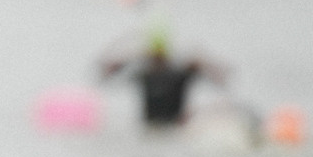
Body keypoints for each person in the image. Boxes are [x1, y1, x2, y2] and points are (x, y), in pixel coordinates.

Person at [98, 30, 229, 127]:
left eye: (160, 55)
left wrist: (202, 63)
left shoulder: (180, 73)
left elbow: (222, 80)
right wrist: (125, 60)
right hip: (149, 130)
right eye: (153, 55)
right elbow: (104, 76)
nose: (157, 60)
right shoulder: (143, 74)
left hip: (176, 129)